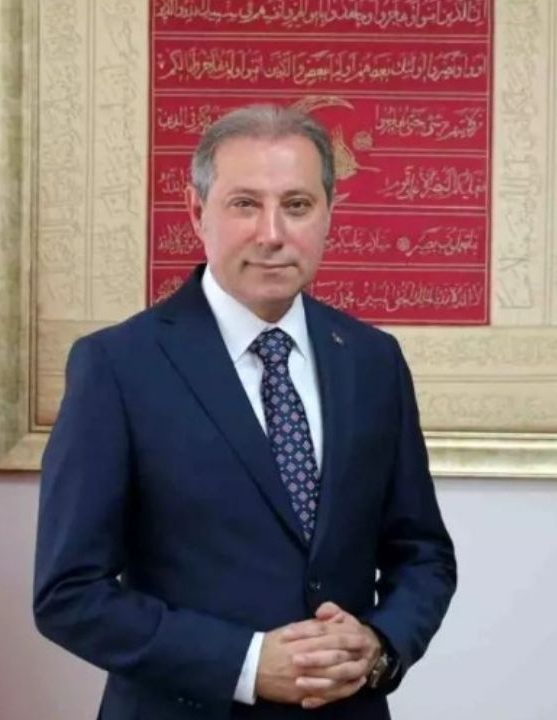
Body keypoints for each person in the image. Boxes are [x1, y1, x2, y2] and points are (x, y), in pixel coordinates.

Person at [34, 104, 456, 719]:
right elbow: (69, 594)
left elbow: (422, 553)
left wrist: (380, 645)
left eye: (297, 205)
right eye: (244, 204)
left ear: (329, 213)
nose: (272, 233)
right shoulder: (117, 366)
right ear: (196, 212)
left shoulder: (373, 360)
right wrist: (247, 664)